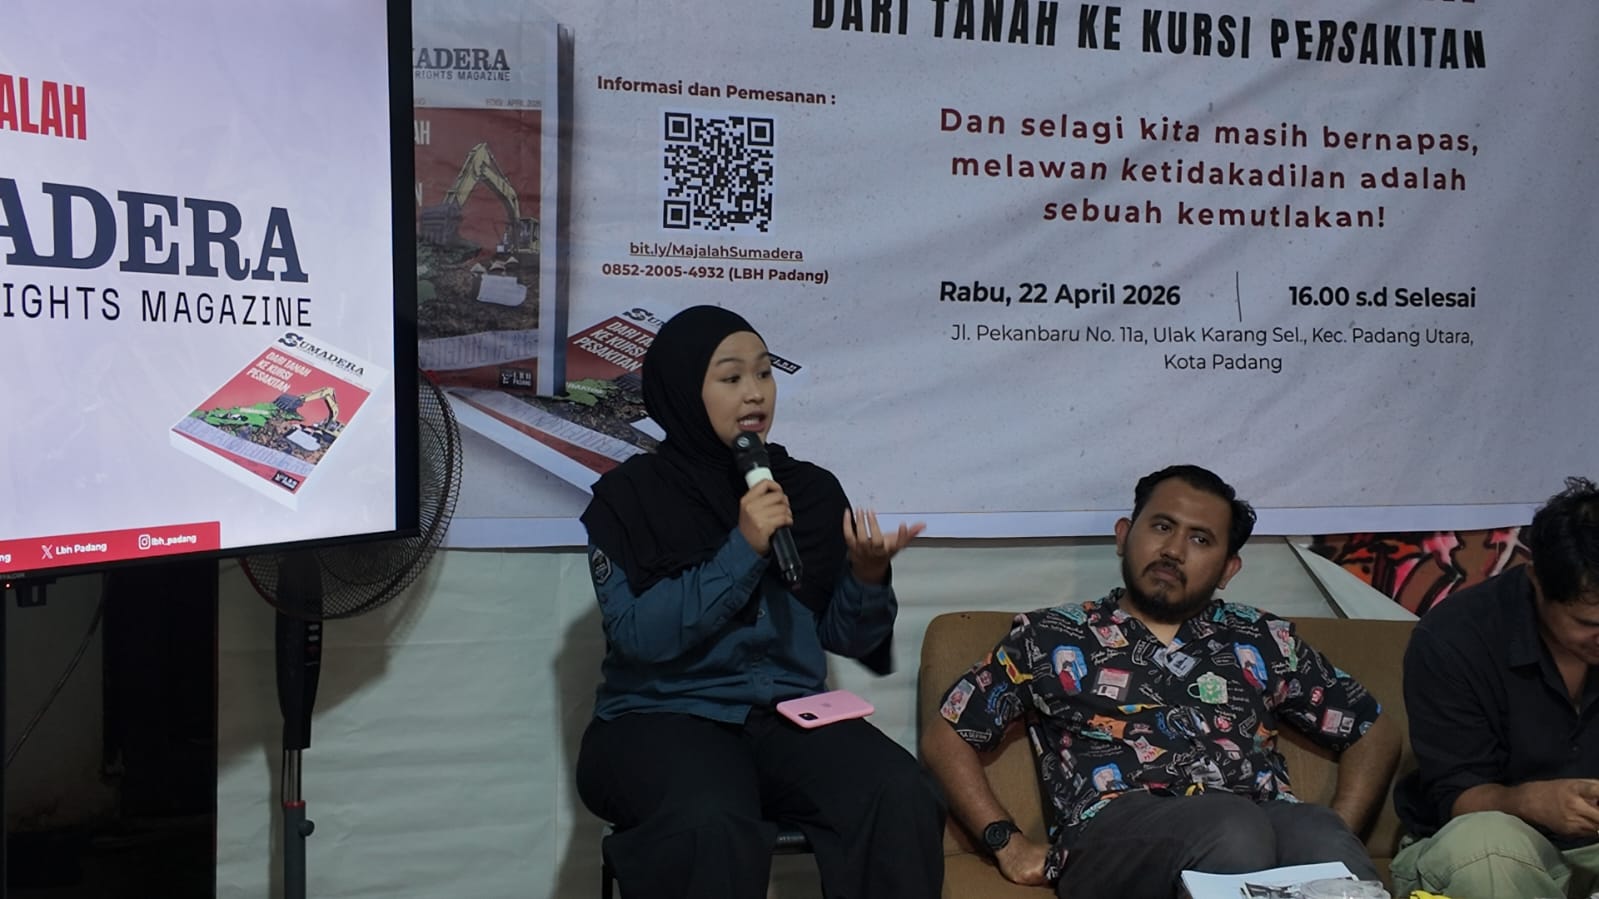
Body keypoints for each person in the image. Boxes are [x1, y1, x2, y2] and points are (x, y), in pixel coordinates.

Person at [574, 305, 945, 899]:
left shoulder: (809, 490)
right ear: (683, 391)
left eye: (765, 373)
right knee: (708, 822)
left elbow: (848, 638)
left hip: (788, 718)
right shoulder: (630, 498)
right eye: (731, 377)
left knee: (899, 792)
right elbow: (640, 637)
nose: (755, 393)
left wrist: (867, 576)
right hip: (662, 716)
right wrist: (743, 548)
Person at [923, 464, 1401, 897]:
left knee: (1318, 834)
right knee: (1231, 826)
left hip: (1260, 814)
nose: (1173, 550)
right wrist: (1005, 841)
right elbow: (947, 735)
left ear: (1228, 569)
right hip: (1113, 835)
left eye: (1200, 539)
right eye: (1161, 526)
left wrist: (1341, 823)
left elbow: (1373, 730)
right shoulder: (1050, 636)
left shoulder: (1263, 638)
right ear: (1124, 535)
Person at [1392, 477, 1599, 899]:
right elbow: (1456, 797)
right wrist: (1531, 802)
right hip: (1493, 849)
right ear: (1537, 581)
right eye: (1588, 624)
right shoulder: (1455, 638)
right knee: (1485, 848)